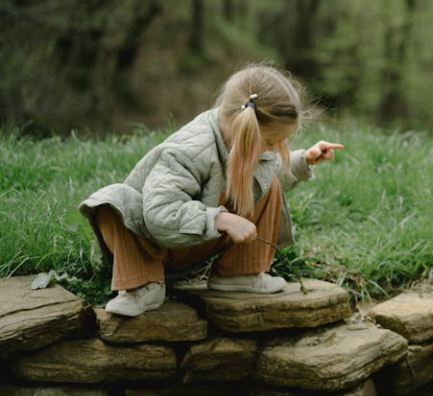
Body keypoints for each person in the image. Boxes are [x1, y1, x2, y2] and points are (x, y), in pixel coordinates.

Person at [79, 64, 343, 317]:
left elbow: (264, 179)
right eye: (271, 141)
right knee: (111, 200)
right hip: (151, 243)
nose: (274, 148)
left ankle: (239, 272)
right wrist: (220, 218)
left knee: (269, 180)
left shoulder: (244, 144)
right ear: (244, 128)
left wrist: (302, 161)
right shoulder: (191, 150)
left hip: (195, 242)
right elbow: (159, 214)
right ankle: (142, 285)